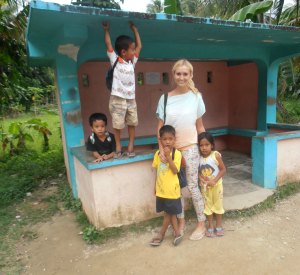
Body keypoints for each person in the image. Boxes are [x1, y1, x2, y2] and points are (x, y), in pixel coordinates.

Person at [156, 59, 206, 241]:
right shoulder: (165, 98)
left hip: (191, 147)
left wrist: (208, 149)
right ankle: (182, 221)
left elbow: (200, 126)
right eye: (178, 73)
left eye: (185, 74)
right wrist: (162, 149)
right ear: (173, 74)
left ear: (191, 75)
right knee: (177, 189)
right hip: (172, 152)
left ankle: (201, 223)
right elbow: (160, 127)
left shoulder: (196, 97)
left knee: (192, 187)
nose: (181, 77)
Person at [102, 21, 142, 158]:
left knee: (132, 122)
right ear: (124, 52)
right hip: (117, 98)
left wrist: (135, 29)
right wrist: (106, 30)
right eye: (131, 49)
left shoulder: (132, 62)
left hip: (131, 99)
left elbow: (140, 46)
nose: (134, 50)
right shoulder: (115, 60)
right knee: (118, 124)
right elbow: (108, 45)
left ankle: (131, 145)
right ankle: (118, 146)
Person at [150, 125, 183, 247]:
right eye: (164, 139)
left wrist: (169, 157)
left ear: (175, 139)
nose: (168, 141)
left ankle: (161, 234)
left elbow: (175, 170)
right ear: (160, 140)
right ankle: (177, 233)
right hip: (161, 190)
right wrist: (155, 186)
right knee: (171, 213)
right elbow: (157, 172)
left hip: (172, 190)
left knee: (168, 214)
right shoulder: (157, 154)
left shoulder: (177, 154)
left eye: (170, 139)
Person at [198, 132, 226, 237]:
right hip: (205, 188)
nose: (204, 148)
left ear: (212, 145)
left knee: (218, 205)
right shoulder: (198, 158)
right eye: (201, 145)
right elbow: (198, 172)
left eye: (207, 145)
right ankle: (210, 225)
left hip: (217, 186)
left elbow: (223, 170)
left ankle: (218, 225)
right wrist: (201, 179)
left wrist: (214, 180)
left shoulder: (216, 156)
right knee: (207, 206)